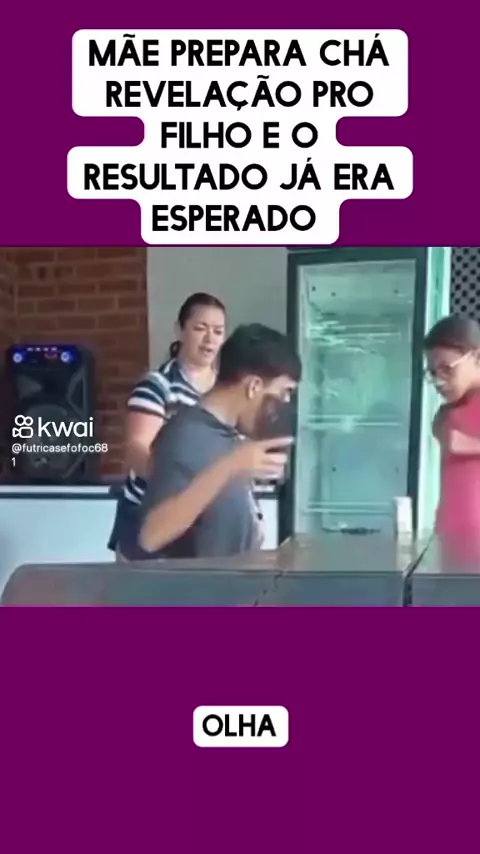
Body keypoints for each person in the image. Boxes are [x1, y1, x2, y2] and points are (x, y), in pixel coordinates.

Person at [118, 323, 301, 561]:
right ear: (254, 386)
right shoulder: (186, 435)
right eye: (284, 392)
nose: (284, 404)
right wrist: (231, 465)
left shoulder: (228, 435)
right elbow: (151, 536)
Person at [108, 292, 226, 558]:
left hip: (206, 524)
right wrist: (184, 488)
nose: (210, 339)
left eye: (218, 331)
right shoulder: (157, 386)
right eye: (200, 328)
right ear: (180, 330)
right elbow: (137, 449)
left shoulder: (226, 390)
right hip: (150, 517)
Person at [424, 314, 480, 566]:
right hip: (450, 543)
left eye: (447, 369)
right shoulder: (447, 414)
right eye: (433, 373)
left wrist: (469, 445)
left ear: (476, 357)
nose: (439, 381)